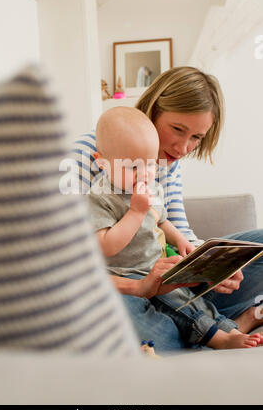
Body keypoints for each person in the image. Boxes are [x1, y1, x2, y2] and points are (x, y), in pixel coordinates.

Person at [70, 66, 263, 351]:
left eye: (196, 137)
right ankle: (223, 328)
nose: (184, 148)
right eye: (177, 129)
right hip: (115, 282)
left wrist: (210, 266)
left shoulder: (167, 163)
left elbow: (173, 227)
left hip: (163, 277)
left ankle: (210, 326)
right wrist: (138, 287)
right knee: (153, 338)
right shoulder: (91, 154)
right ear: (153, 110)